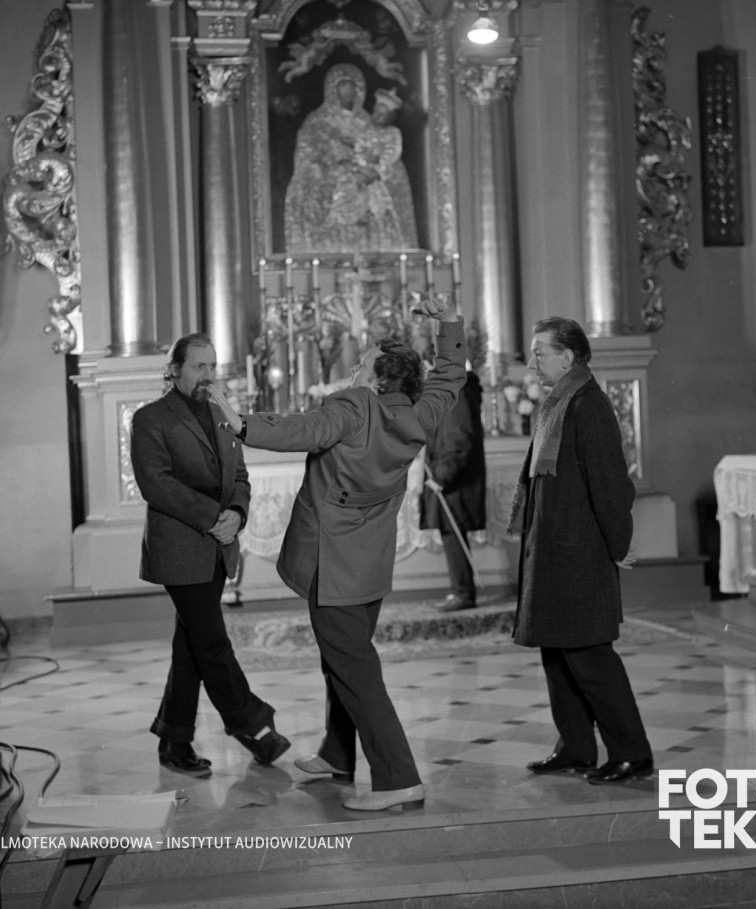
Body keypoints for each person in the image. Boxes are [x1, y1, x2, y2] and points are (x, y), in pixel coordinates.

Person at [209, 294, 465, 811]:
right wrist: (451, 326)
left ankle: (398, 780)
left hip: (334, 568)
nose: (352, 371)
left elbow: (306, 429)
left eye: (361, 366)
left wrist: (241, 424)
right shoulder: (417, 414)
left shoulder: (353, 406)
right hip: (369, 566)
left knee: (357, 673)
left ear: (378, 381)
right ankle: (337, 753)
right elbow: (449, 378)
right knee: (341, 662)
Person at [131, 333, 290, 777]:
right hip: (180, 548)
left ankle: (173, 740)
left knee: (191, 647)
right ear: (175, 370)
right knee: (212, 643)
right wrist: (212, 517)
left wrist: (236, 514)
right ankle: (253, 727)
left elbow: (240, 475)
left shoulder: (223, 415)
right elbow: (156, 484)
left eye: (212, 366)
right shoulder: (150, 418)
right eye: (199, 366)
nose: (208, 375)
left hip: (218, 547)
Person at [508, 317, 653, 785]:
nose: (533, 362)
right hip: (552, 551)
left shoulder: (588, 404)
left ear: (567, 357)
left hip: (578, 553)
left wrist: (619, 544)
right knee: (556, 654)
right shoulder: (558, 402)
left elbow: (611, 485)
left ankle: (632, 753)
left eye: (540, 353)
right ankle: (575, 748)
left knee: (590, 657)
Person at [284, 63, 371, 252]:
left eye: (353, 85)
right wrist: (333, 162)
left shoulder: (365, 121)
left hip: (360, 178)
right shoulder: (318, 121)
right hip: (329, 178)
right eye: (343, 85)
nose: (349, 90)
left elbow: (373, 149)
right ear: (333, 89)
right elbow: (308, 154)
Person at [420, 368, 486, 611]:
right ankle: (460, 590)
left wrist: (442, 476)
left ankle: (463, 593)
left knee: (453, 530)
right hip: (451, 476)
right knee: (451, 531)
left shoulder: (457, 392)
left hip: (456, 480)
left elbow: (459, 437)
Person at [330, 87, 418, 250]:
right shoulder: (366, 130)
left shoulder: (392, 133)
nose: (377, 116)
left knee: (378, 207)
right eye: (376, 112)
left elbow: (391, 154)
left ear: (389, 116)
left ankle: (380, 239)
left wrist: (376, 169)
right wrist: (355, 161)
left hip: (378, 175)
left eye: (382, 114)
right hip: (360, 171)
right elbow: (357, 147)